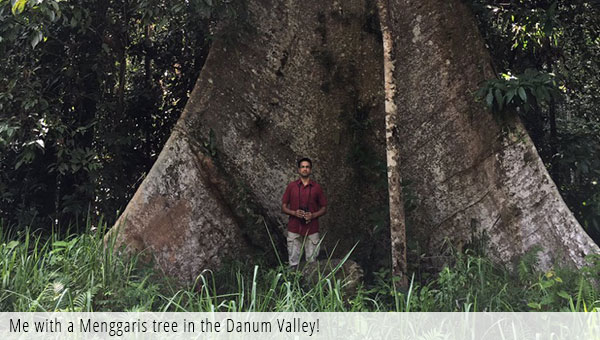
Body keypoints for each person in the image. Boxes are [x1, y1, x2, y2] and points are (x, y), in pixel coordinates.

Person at [281, 157, 327, 267]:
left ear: (310, 170)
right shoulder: (291, 186)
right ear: (298, 170)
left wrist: (313, 215)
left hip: (312, 228)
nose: (305, 169)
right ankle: (293, 283)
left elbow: (324, 207)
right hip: (294, 227)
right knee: (293, 261)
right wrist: (294, 213)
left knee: (312, 263)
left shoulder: (317, 188)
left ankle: (311, 284)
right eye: (302, 167)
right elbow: (283, 207)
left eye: (307, 167)